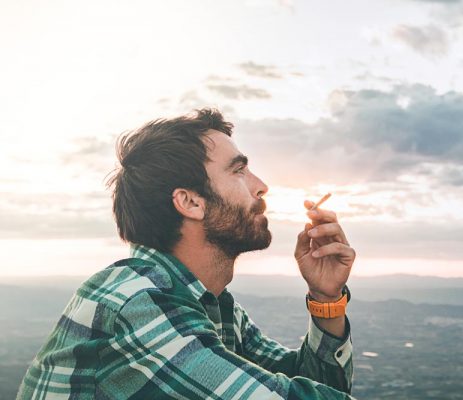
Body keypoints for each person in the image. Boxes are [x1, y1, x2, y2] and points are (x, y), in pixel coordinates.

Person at [17, 108, 356, 399]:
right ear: (191, 202)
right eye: (238, 170)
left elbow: (316, 385)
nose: (261, 185)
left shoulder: (215, 306)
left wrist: (326, 297)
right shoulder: (136, 300)